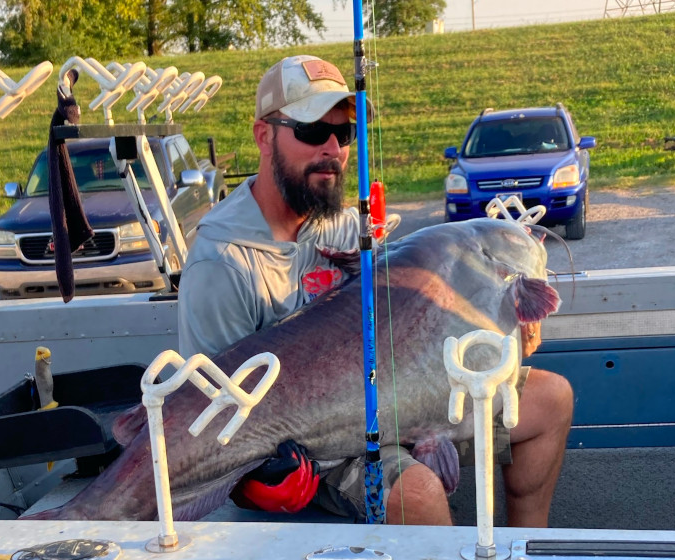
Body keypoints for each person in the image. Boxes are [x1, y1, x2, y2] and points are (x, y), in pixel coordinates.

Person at [178, 54, 573, 526]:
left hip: (395, 400)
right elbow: (208, 413)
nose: (331, 148)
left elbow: (417, 312)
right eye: (310, 131)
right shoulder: (221, 261)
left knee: (552, 399)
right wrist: (260, 479)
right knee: (419, 492)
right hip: (318, 445)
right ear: (264, 135)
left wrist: (506, 317)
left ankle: (523, 548)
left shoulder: (348, 228)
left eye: (342, 134)